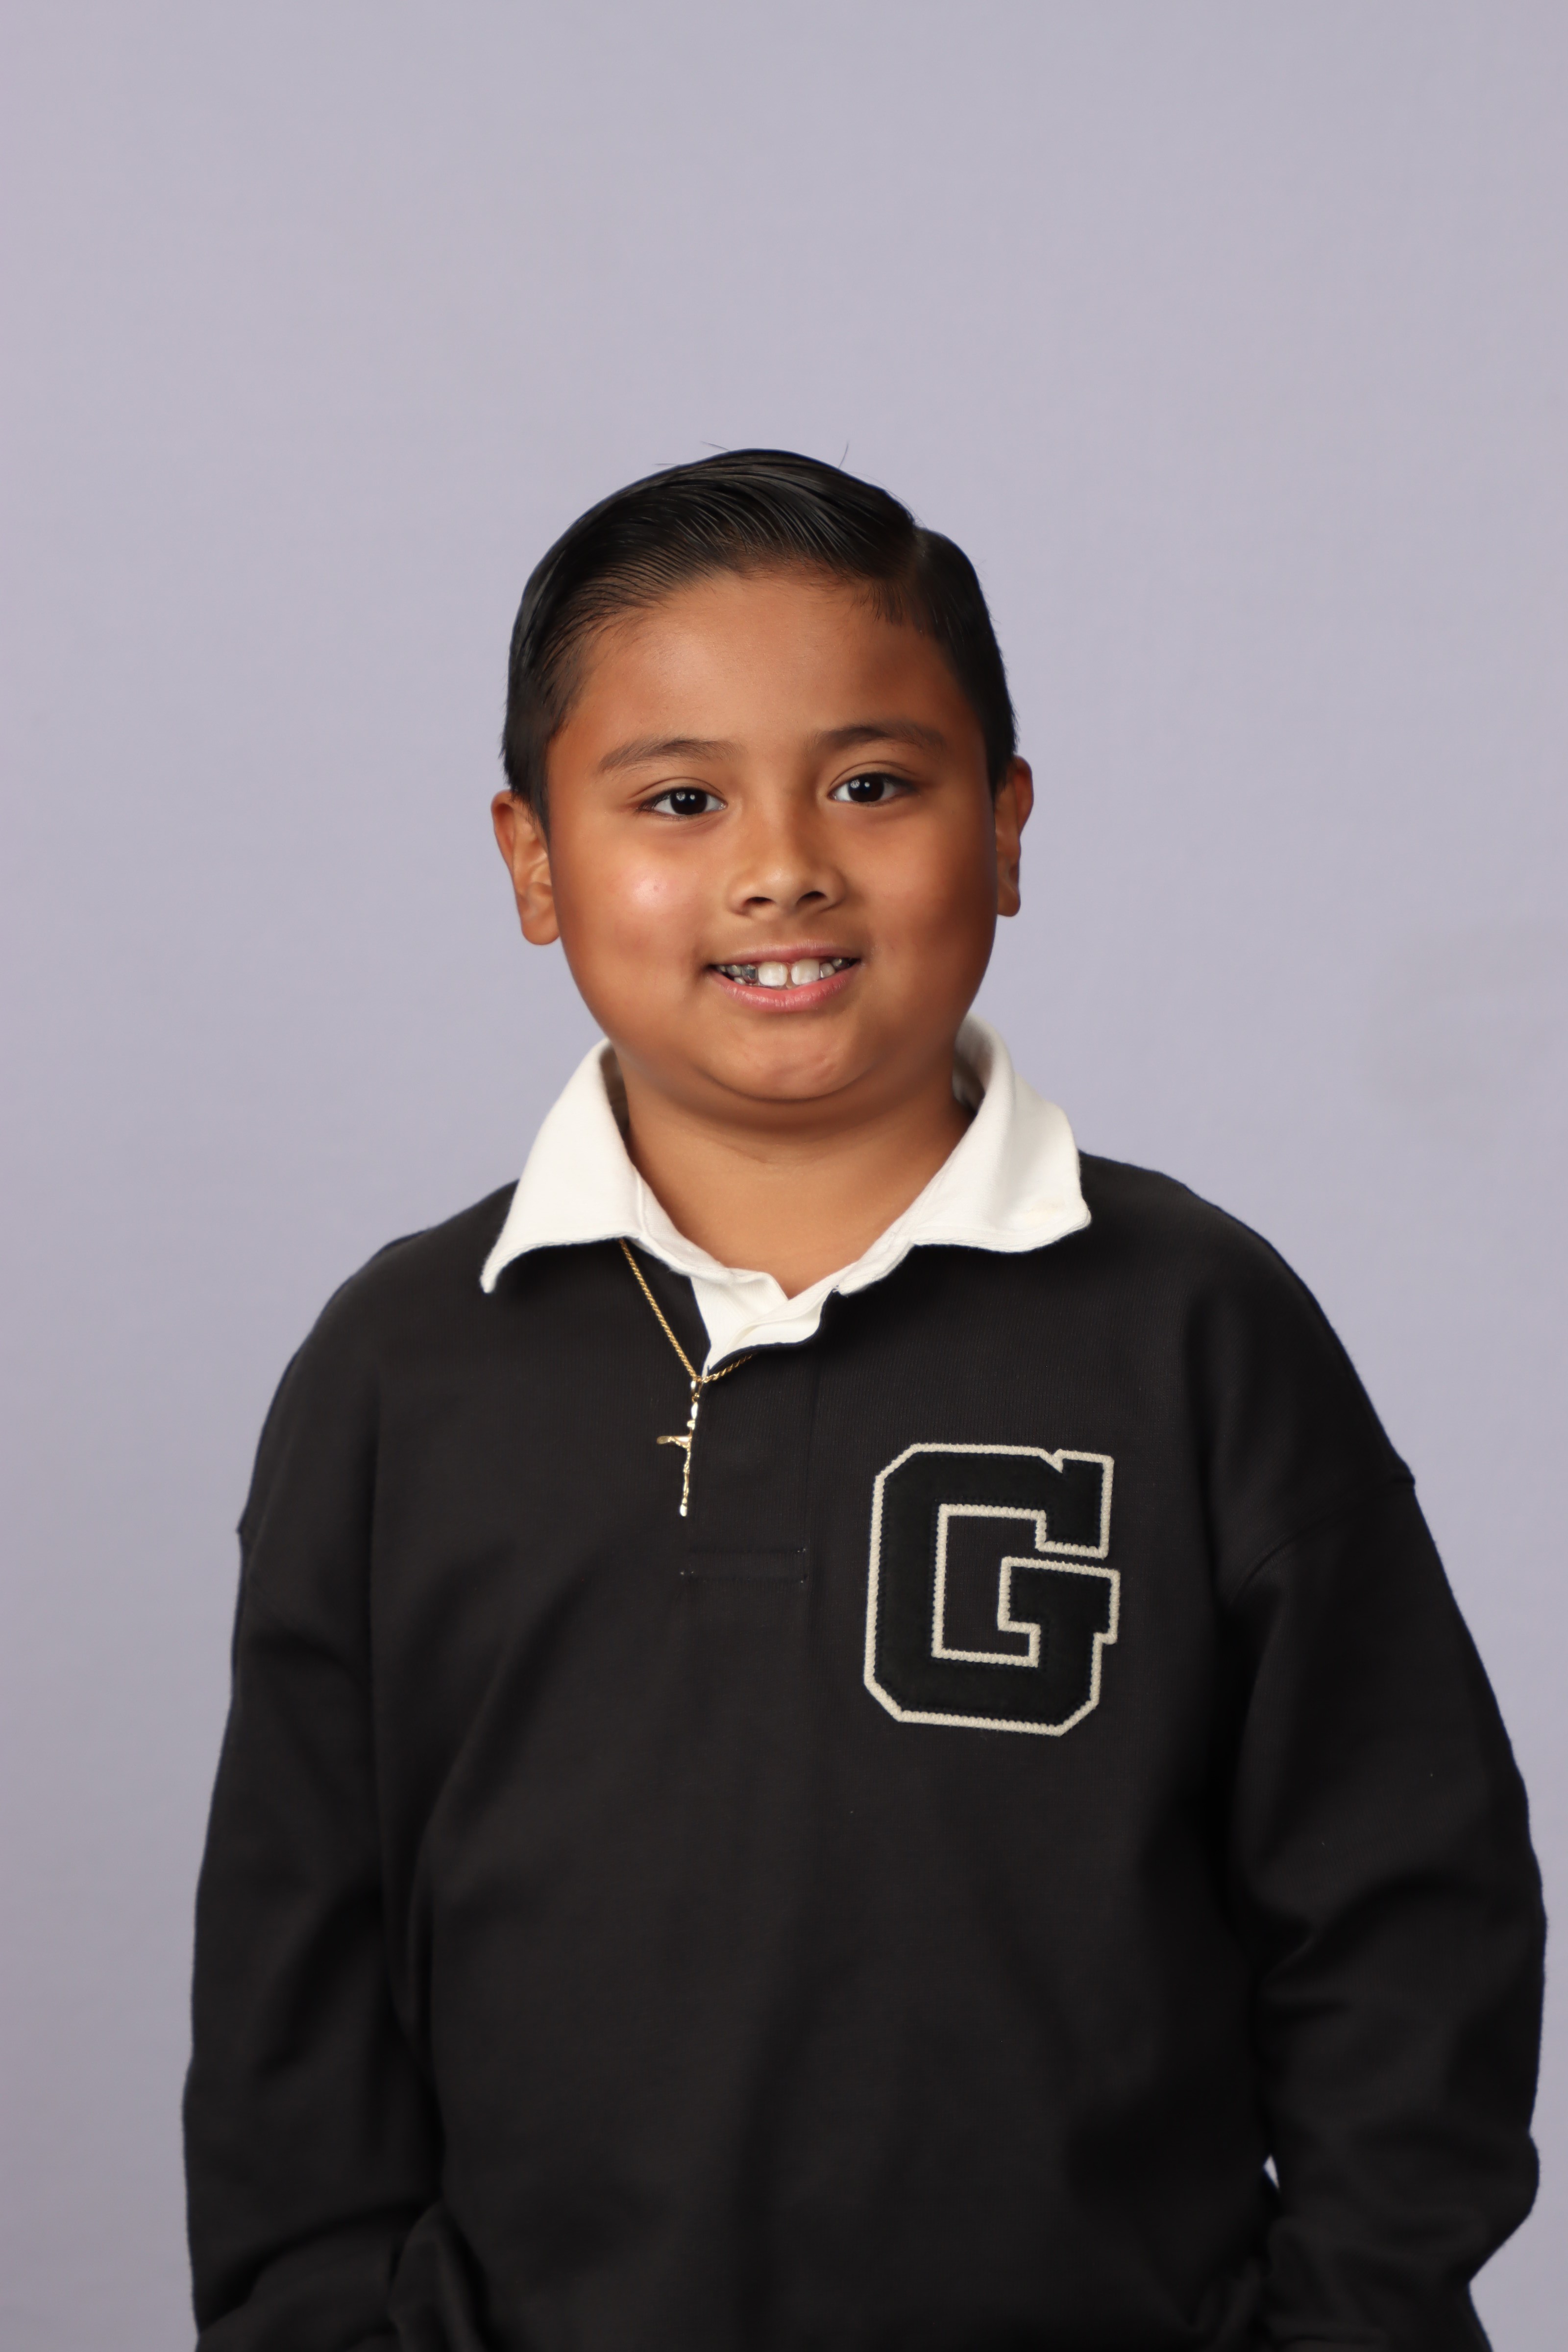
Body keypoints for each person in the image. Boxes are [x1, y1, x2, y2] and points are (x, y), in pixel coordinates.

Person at [184, 450, 1544, 2352]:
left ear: (1005, 827)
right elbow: (293, 1997)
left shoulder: (1196, 1329)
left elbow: (1410, 1908)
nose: (782, 868)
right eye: (679, 799)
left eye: (873, 785)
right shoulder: (400, 1370)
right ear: (533, 860)